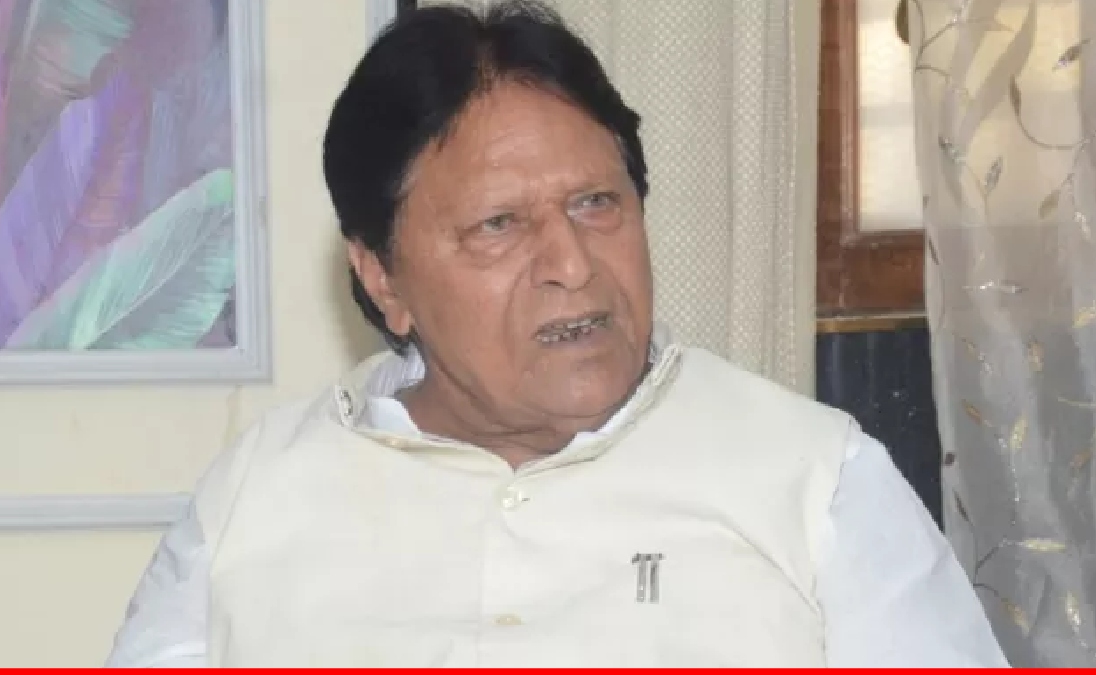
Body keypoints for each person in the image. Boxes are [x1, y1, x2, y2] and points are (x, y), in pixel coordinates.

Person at [106, 1, 1008, 667]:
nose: (572, 263)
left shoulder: (816, 480)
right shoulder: (253, 502)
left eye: (597, 203)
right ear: (382, 275)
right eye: (498, 225)